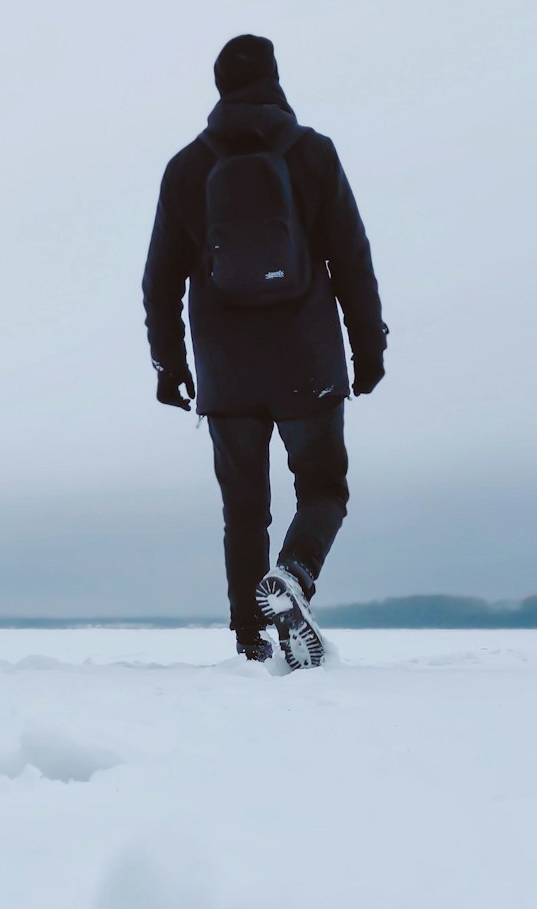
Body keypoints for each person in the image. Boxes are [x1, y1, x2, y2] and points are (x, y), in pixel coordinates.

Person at [143, 34, 387, 668]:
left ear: (219, 86)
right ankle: (295, 577)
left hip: (226, 374)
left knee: (244, 510)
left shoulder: (186, 167)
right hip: (307, 362)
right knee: (324, 488)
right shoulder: (313, 154)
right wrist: (369, 350)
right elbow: (352, 259)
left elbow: (159, 280)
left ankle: (253, 643)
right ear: (274, 81)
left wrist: (171, 367)